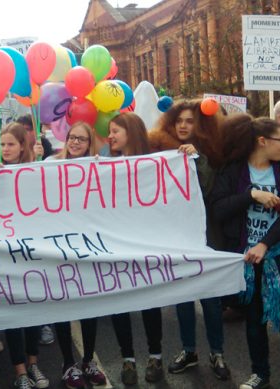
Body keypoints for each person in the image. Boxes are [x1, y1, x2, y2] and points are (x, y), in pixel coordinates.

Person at [211, 113, 280, 389]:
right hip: (247, 259)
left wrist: (265, 244)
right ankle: (260, 373)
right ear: (262, 141)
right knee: (253, 320)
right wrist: (251, 194)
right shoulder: (233, 170)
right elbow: (218, 208)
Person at [148, 100, 230, 381]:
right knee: (183, 297)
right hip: (176, 236)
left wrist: (198, 160)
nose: (183, 126)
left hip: (205, 236)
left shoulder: (212, 154)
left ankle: (217, 352)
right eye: (179, 120)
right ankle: (189, 350)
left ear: (201, 125)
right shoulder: (159, 151)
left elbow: (207, 190)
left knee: (210, 298)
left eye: (189, 121)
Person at [43, 122, 109, 388]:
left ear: (89, 142)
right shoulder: (49, 163)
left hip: (87, 248)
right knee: (63, 306)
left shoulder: (98, 168)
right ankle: (68, 362)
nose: (75, 143)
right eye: (72, 137)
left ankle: (88, 360)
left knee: (88, 307)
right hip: (58, 247)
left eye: (81, 139)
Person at [106, 113, 165, 385]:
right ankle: (127, 360)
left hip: (146, 243)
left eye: (116, 131)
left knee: (150, 303)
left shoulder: (156, 163)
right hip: (116, 246)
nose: (111, 136)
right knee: (121, 304)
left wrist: (191, 155)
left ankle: (156, 356)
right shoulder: (105, 166)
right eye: (109, 131)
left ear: (131, 132)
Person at [0, 122, 49, 389]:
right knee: (13, 315)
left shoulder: (35, 172)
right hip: (6, 256)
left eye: (11, 144)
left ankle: (33, 364)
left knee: (33, 313)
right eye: (2, 144)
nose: (6, 149)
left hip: (32, 253)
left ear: (22, 146)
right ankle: (19, 372)